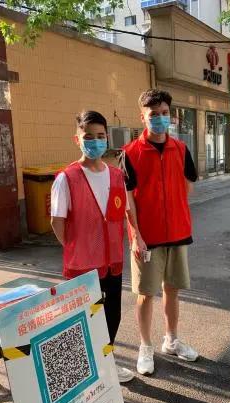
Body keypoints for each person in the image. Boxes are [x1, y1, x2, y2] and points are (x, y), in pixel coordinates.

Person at [50, 110, 134, 383]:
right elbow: (57, 221)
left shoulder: (116, 175)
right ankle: (86, 374)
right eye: (88, 137)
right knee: (84, 320)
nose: (95, 142)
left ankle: (105, 364)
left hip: (113, 263)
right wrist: (75, 248)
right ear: (77, 139)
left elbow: (122, 212)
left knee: (112, 316)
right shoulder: (67, 178)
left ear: (106, 138)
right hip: (83, 267)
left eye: (100, 136)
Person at [123, 89, 199, 375]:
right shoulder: (130, 153)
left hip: (178, 233)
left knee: (172, 290)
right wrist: (136, 236)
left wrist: (174, 211)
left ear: (171, 115)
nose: (160, 118)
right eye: (153, 114)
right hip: (147, 239)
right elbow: (127, 200)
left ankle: (172, 339)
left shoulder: (181, 149)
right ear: (142, 117)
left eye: (164, 113)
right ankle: (145, 346)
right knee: (145, 294)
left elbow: (188, 185)